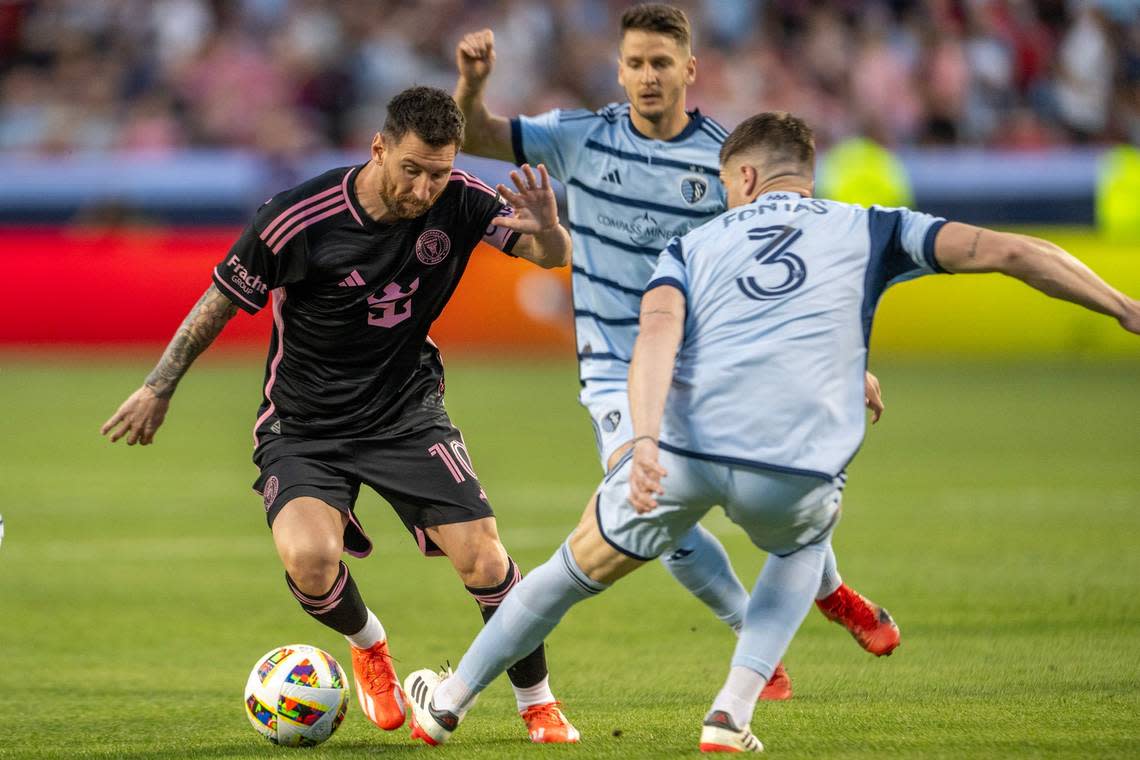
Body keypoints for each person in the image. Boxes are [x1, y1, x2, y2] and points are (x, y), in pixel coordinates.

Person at [400, 111, 1140, 751]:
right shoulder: (874, 228)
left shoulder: (695, 246)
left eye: (725, 182)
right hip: (793, 466)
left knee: (563, 577)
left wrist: (647, 440)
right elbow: (1013, 252)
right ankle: (732, 709)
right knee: (800, 543)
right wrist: (1121, 307)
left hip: (684, 452)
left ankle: (448, 702)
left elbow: (656, 342)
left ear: (745, 176)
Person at [100, 86, 582, 745]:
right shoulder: (298, 217)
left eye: (436, 173)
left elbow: (549, 256)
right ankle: (370, 645)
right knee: (309, 559)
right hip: (304, 426)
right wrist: (160, 386)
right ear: (379, 148)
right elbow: (220, 298)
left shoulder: (463, 199)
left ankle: (537, 702)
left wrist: (550, 226)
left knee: (486, 561)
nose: (422, 188)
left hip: (407, 414)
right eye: (411, 169)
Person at [453, 3, 897, 702]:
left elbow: (782, 271)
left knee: (773, 480)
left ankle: (828, 590)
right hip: (614, 370)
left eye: (662, 63)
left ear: (689, 69)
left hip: (712, 360)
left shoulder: (727, 162)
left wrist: (849, 362)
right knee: (654, 510)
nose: (648, 76)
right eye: (635, 63)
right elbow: (475, 132)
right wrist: (474, 83)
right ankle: (754, 626)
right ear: (619, 70)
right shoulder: (579, 138)